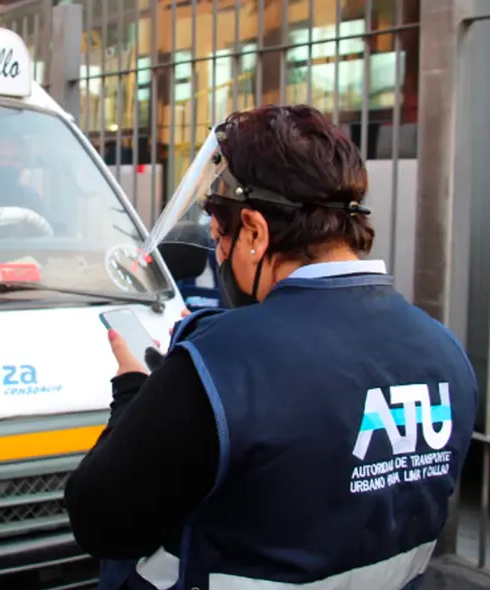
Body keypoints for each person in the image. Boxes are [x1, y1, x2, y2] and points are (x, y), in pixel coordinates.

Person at [63, 104, 477, 590]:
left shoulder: (224, 361)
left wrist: (134, 390)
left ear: (255, 232)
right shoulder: (445, 350)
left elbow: (99, 519)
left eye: (221, 236)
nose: (218, 255)